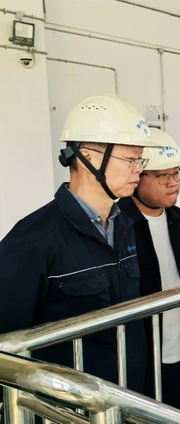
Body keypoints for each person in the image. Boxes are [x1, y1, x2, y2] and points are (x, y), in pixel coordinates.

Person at [0, 94, 157, 394]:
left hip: (126, 396)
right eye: (130, 159)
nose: (139, 169)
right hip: (70, 405)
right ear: (89, 158)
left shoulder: (124, 225)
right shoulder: (33, 241)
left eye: (141, 159)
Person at [118, 128, 180, 411]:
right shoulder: (119, 225)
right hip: (140, 352)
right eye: (162, 175)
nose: (173, 182)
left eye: (176, 174)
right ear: (138, 176)